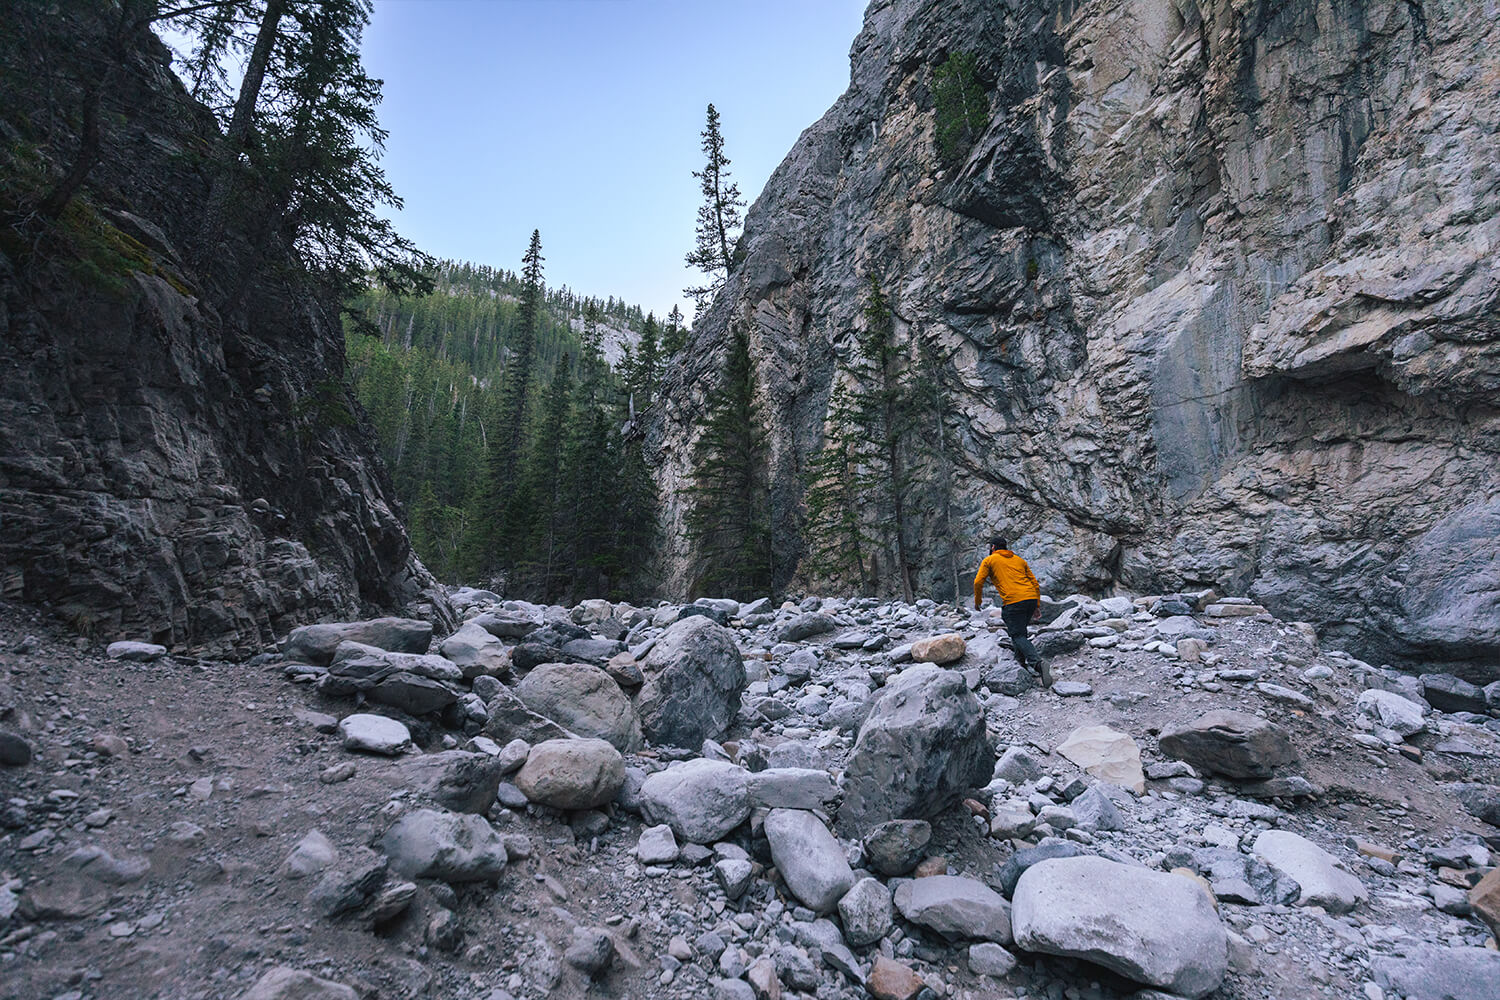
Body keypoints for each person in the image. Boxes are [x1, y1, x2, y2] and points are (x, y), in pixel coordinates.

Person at [974, 537, 1052, 687]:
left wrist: (978, 601)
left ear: (993, 547)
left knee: (1017, 635)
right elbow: (1034, 582)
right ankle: (1019, 664)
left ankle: (1038, 664)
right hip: (1029, 599)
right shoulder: (1019, 560)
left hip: (1013, 601)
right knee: (1019, 633)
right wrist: (1036, 605)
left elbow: (978, 581)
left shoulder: (990, 560)